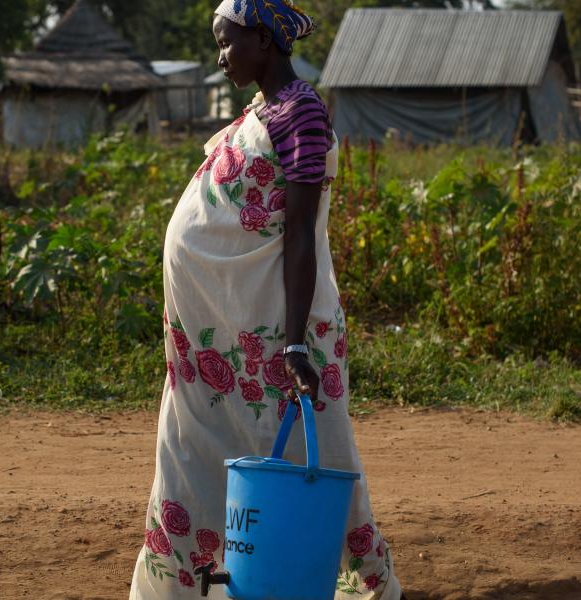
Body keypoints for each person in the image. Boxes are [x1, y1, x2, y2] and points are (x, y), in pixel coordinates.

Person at [128, 1, 402, 598]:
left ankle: (337, 580)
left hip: (281, 332)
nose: (221, 57)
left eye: (228, 43)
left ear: (264, 40)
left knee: (315, 454)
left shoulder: (301, 113)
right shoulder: (266, 110)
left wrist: (297, 341)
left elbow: (299, 230)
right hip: (219, 348)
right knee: (195, 450)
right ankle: (194, 584)